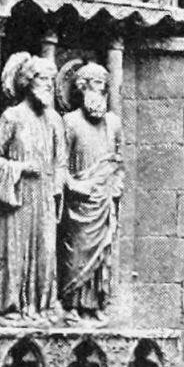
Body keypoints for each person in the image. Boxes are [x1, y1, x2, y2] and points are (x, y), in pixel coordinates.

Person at [0, 53, 67, 324]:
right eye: (43, 79)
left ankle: (40, 306)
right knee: (15, 251)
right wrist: (19, 168)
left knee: (45, 251)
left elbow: (61, 160)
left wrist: (57, 186)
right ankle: (11, 308)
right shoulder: (12, 117)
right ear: (27, 81)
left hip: (45, 196)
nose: (49, 86)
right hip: (17, 197)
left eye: (52, 80)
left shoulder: (54, 119)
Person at [60, 63, 124, 323]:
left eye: (103, 85)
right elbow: (60, 164)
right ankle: (72, 303)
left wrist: (116, 185)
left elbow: (119, 161)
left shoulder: (113, 123)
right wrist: (74, 186)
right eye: (95, 83)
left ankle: (97, 304)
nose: (100, 90)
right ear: (82, 86)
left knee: (102, 253)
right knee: (76, 250)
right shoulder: (70, 122)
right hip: (79, 200)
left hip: (104, 198)